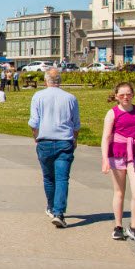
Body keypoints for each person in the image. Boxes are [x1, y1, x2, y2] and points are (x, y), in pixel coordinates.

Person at [101, 82, 135, 243]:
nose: (125, 97)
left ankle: (134, 227)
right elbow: (106, 137)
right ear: (116, 96)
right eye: (121, 95)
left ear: (133, 95)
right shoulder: (112, 113)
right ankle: (118, 226)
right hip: (117, 154)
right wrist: (105, 159)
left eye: (128, 94)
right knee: (119, 191)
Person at [28, 68, 80, 228]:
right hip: (64, 141)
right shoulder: (71, 98)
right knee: (62, 178)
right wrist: (75, 139)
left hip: (45, 140)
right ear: (60, 81)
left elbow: (34, 122)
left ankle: (51, 207)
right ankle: (59, 212)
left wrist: (36, 138)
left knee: (49, 178)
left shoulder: (38, 96)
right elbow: (76, 123)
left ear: (45, 81)